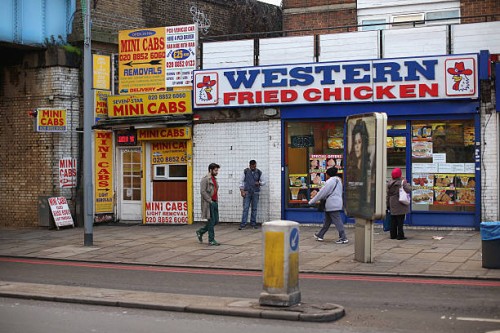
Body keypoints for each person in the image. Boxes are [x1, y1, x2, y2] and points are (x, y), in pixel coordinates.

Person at [309, 167, 348, 244]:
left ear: (328, 174)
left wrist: (312, 201)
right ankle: (320, 235)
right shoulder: (339, 181)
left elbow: (322, 193)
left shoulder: (330, 182)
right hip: (336, 203)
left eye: (326, 174)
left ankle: (343, 237)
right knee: (327, 221)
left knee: (337, 221)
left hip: (331, 204)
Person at [197, 163, 221, 246]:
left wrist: (215, 201)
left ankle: (201, 231)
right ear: (210, 170)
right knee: (211, 221)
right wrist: (210, 201)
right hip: (209, 203)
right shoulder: (205, 179)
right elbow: (202, 191)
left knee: (216, 221)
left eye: (217, 170)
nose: (217, 172)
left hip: (214, 202)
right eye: (215, 170)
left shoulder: (214, 179)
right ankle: (211, 240)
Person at [239, 160, 266, 230]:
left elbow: (264, 182)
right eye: (252, 166)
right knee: (246, 208)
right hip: (247, 192)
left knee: (254, 209)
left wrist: (259, 183)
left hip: (255, 192)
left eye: (255, 166)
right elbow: (241, 181)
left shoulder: (259, 172)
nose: (254, 167)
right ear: (249, 165)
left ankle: (253, 223)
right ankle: (243, 224)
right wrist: (242, 191)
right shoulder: (245, 171)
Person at [386, 167, 412, 240]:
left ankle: (393, 235)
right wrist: (406, 182)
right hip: (400, 203)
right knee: (400, 220)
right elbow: (408, 189)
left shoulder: (389, 183)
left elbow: (387, 194)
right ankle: (400, 235)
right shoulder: (402, 182)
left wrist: (387, 204)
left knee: (393, 220)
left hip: (392, 202)